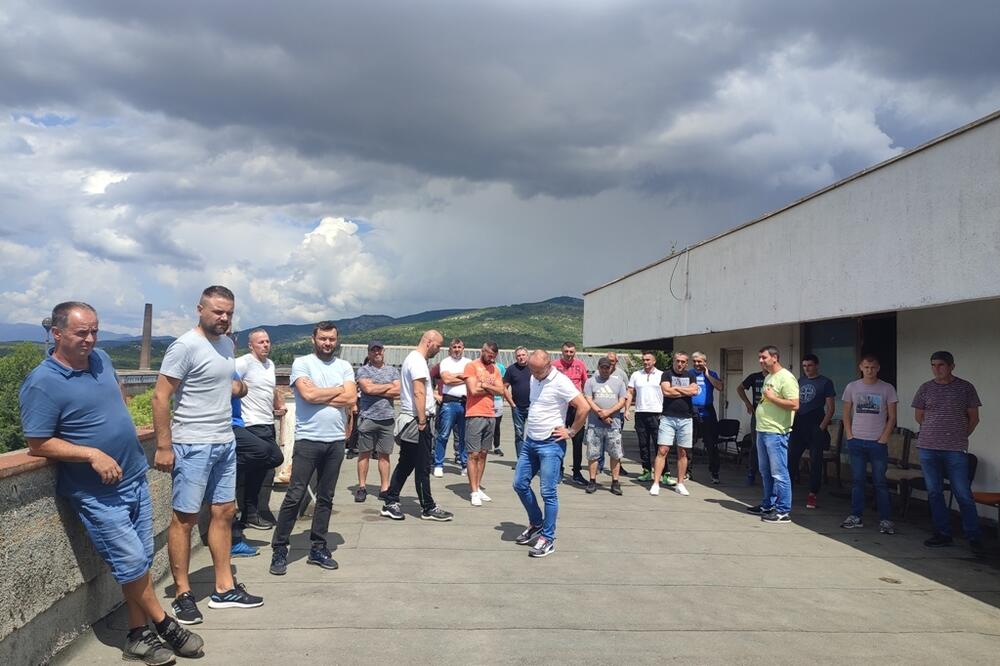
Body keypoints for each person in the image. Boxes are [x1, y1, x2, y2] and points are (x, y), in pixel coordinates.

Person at [20, 302, 204, 664]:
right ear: (57, 334)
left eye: (94, 331)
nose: (90, 339)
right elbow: (37, 442)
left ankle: (137, 637)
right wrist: (91, 453)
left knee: (140, 560)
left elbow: (116, 396)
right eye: (81, 332)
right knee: (131, 561)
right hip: (96, 492)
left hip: (134, 475)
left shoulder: (101, 358)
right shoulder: (42, 382)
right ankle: (164, 623)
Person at [153, 285, 263, 625]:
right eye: (217, 311)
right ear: (200, 309)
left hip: (223, 440)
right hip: (192, 443)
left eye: (229, 312)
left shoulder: (226, 344)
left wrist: (239, 387)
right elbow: (160, 397)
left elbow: (222, 382)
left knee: (224, 512)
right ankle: (183, 594)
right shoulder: (184, 346)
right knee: (184, 519)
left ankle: (223, 587)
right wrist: (163, 445)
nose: (224, 317)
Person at [269, 321, 355, 576]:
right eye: (323, 339)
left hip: (335, 441)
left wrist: (322, 393)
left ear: (336, 340)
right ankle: (280, 548)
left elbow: (351, 398)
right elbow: (307, 396)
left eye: (331, 339)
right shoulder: (302, 363)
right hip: (309, 440)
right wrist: (337, 392)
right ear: (314, 339)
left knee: (326, 497)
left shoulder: (344, 366)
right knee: (294, 495)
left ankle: (318, 547)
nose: (327, 343)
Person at [512, 350, 590, 558]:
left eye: (537, 371)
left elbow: (583, 407)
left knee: (548, 492)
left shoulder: (561, 381)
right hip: (531, 442)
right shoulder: (533, 376)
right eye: (532, 370)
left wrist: (571, 431)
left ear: (548, 366)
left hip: (551, 444)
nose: (534, 374)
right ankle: (537, 522)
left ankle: (547, 538)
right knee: (519, 484)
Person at [912, 351, 984, 552]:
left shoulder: (965, 388)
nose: (937, 369)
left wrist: (961, 435)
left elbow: (974, 418)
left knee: (962, 493)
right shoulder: (925, 388)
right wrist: (933, 431)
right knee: (934, 492)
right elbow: (919, 416)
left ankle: (974, 537)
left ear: (952, 366)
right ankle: (943, 533)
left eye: (941, 365)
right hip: (928, 447)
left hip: (954, 449)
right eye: (933, 365)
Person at [380, 330, 454, 522]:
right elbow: (418, 392)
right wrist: (422, 421)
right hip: (417, 421)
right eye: (438, 346)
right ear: (429, 342)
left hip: (412, 418)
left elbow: (422, 392)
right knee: (422, 465)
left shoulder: (413, 359)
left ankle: (390, 499)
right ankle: (427, 507)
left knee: (406, 463)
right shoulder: (418, 361)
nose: (439, 350)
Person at [234, 328, 285, 532]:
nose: (265, 345)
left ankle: (251, 513)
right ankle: (246, 510)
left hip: (267, 422)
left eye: (267, 341)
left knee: (263, 469)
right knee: (271, 458)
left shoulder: (270, 364)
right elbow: (229, 383)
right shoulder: (243, 362)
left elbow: (269, 389)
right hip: (250, 424)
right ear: (251, 345)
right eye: (261, 342)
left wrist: (278, 402)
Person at [840, 354, 898, 534]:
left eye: (872, 367)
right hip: (856, 441)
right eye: (866, 367)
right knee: (857, 480)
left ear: (878, 368)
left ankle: (885, 520)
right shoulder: (852, 387)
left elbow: (892, 416)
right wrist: (849, 435)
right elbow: (846, 413)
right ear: (861, 367)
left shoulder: (887, 388)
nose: (869, 370)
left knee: (880, 482)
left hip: (877, 442)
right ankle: (856, 516)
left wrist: (884, 437)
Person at [746, 346, 799, 524]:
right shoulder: (769, 377)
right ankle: (768, 504)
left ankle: (783, 510)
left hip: (776, 431)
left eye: (764, 357)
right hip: (762, 428)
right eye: (759, 358)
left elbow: (794, 404)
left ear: (775, 358)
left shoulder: (786, 378)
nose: (761, 361)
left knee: (779, 472)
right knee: (765, 471)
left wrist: (772, 398)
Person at [354, 341, 400, 503]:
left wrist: (377, 388)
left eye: (379, 350)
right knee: (364, 454)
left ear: (383, 351)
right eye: (373, 350)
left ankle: (384, 488)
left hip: (387, 419)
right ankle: (361, 487)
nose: (376, 353)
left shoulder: (393, 370)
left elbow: (398, 391)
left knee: (384, 455)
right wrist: (387, 387)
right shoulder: (363, 370)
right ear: (369, 353)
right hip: (368, 417)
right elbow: (368, 389)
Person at [787, 354, 835, 509]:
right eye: (804, 366)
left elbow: (830, 408)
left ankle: (813, 494)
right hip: (799, 423)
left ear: (817, 365)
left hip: (815, 423)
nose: (807, 368)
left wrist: (822, 427)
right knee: (791, 459)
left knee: (816, 461)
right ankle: (787, 492)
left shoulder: (825, 382)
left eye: (810, 365)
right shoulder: (800, 381)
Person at [651, 352, 700, 497]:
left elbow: (694, 391)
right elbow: (666, 391)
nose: (680, 364)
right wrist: (685, 391)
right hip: (668, 417)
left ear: (686, 363)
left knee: (683, 452)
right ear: (674, 361)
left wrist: (676, 390)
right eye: (678, 361)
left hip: (686, 418)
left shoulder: (690, 375)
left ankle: (680, 484)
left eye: (683, 362)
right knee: (663, 450)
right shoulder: (666, 375)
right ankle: (656, 483)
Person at [463, 341, 505, 506]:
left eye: (494, 356)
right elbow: (473, 390)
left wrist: (485, 385)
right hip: (475, 413)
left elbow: (501, 390)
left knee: (483, 453)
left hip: (490, 413)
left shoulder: (495, 369)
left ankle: (478, 486)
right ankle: (473, 490)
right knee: (473, 453)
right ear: (483, 351)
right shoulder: (471, 366)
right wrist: (491, 387)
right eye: (489, 354)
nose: (491, 358)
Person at [583, 357, 627, 495]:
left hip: (613, 425)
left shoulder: (618, 382)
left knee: (615, 454)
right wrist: (601, 414)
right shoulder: (591, 382)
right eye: (602, 367)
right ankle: (592, 480)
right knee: (593, 454)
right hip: (594, 424)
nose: (604, 370)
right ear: (598, 367)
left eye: (607, 367)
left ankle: (615, 482)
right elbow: (589, 400)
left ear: (611, 368)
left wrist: (608, 412)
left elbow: (622, 401)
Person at [624, 351, 666, 483]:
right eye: (644, 360)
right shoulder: (636, 375)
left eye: (648, 360)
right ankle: (646, 471)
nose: (645, 362)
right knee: (643, 444)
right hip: (641, 412)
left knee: (660, 445)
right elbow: (630, 392)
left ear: (654, 361)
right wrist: (626, 409)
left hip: (657, 413)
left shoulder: (661, 375)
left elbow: (667, 392)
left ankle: (665, 473)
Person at [552, 341, 589, 485]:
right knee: (558, 438)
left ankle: (577, 472)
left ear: (575, 352)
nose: (568, 354)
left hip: (575, 407)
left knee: (578, 440)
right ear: (562, 352)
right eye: (566, 351)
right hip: (560, 407)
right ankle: (558, 469)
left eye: (571, 352)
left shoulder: (580, 365)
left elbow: (585, 383)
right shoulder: (555, 365)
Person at [434, 338, 471, 476]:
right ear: (450, 349)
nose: (457, 349)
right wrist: (462, 377)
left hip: (465, 402)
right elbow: (446, 379)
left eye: (459, 347)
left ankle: (464, 464)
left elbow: (470, 379)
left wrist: (454, 377)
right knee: (443, 435)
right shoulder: (445, 362)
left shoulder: (468, 363)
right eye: (454, 347)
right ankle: (438, 464)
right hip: (449, 403)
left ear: (463, 348)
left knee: (463, 436)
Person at [690, 351, 724, 484]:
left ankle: (714, 472)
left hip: (707, 412)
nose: (697, 364)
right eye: (695, 361)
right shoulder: (689, 374)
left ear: (705, 362)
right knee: (688, 443)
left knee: (711, 444)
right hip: (691, 411)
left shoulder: (712, 374)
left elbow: (720, 387)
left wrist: (707, 374)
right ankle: (688, 471)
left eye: (699, 361)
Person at [737, 369, 766, 484]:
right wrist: (747, 403)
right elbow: (739, 388)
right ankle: (751, 473)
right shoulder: (754, 376)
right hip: (757, 415)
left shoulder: (777, 376)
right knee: (756, 445)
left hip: (772, 416)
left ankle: (767, 475)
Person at [503, 346, 532, 457]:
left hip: (533, 407)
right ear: (516, 357)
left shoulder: (533, 367)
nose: (521, 357)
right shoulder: (511, 369)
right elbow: (504, 387)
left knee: (533, 434)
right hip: (517, 408)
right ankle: (521, 459)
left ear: (527, 355)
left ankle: (531, 459)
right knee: (519, 434)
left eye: (523, 355)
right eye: (518, 355)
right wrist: (512, 404)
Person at [491, 356, 508, 457]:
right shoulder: (481, 367)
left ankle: (496, 446)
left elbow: (504, 384)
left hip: (497, 400)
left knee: (496, 425)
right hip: (485, 400)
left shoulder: (500, 367)